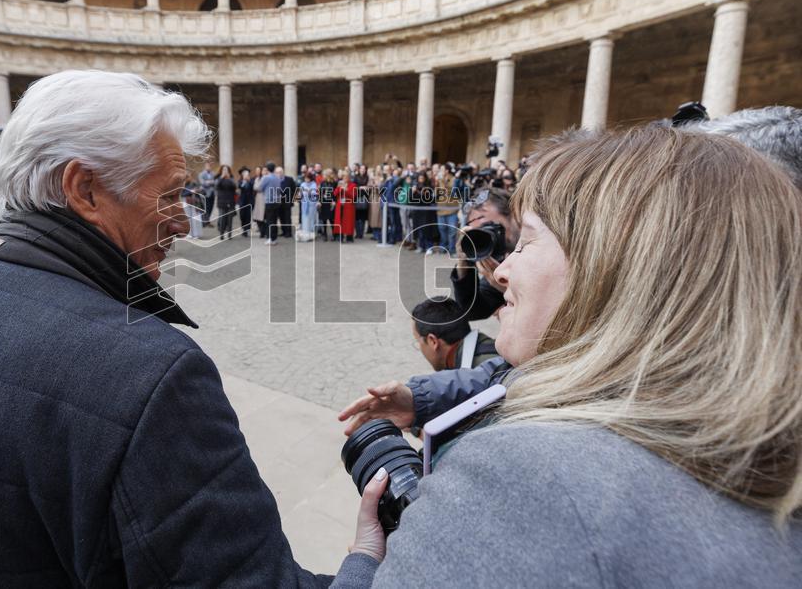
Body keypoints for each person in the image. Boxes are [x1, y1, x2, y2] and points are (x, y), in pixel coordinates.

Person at [0, 71, 341, 587]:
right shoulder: (150, 376)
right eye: (172, 193)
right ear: (85, 189)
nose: (182, 221)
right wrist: (369, 557)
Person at [332, 125, 802, 587]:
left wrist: (367, 564)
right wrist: (421, 398)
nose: (503, 270)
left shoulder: (530, 477)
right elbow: (516, 369)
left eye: (527, 240)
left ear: (608, 267)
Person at [450, 187, 519, 318]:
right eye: (480, 232)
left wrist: (509, 290)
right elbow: (474, 311)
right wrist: (464, 265)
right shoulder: (499, 259)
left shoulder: (544, 250)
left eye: (492, 227)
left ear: (514, 215)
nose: (488, 236)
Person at [333, 169, 357, 243]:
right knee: (340, 221)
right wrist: (339, 188)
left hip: (348, 206)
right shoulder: (340, 184)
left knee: (348, 222)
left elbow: (353, 196)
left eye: (346, 177)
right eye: (343, 177)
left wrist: (346, 190)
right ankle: (340, 236)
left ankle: (349, 237)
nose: (345, 178)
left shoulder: (353, 185)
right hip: (340, 205)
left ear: (349, 177)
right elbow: (334, 194)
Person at [214, 164, 237, 240]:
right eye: (224, 170)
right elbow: (217, 186)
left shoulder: (231, 179)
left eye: (226, 170)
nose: (225, 171)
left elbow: (235, 186)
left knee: (230, 219)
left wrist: (229, 178)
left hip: (230, 202)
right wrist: (222, 177)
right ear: (221, 171)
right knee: (222, 218)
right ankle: (221, 234)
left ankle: (229, 234)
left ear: (229, 171)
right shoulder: (218, 178)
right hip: (221, 202)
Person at [299, 171, 318, 241]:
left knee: (311, 219)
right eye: (305, 178)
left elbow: (314, 193)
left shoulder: (314, 184)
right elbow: (300, 193)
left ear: (310, 178)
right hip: (304, 204)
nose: (306, 180)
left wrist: (308, 191)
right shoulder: (302, 184)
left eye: (307, 178)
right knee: (305, 218)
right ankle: (306, 234)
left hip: (311, 205)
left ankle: (311, 234)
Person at [318, 169, 337, 241]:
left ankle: (334, 234)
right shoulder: (322, 183)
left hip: (331, 203)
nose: (323, 176)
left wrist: (334, 201)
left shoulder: (334, 183)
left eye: (324, 174)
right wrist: (319, 201)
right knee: (324, 220)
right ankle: (325, 235)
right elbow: (320, 193)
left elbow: (336, 193)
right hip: (323, 203)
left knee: (332, 220)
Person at [237, 166, 254, 237]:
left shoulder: (251, 180)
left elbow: (253, 187)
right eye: (244, 173)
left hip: (249, 200)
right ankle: (243, 227)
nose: (245, 175)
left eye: (246, 173)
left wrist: (249, 181)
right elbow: (240, 187)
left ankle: (246, 230)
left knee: (248, 216)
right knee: (242, 215)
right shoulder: (240, 181)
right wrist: (244, 181)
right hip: (242, 201)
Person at [354, 164, 370, 239]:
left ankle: (361, 233)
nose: (363, 170)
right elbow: (353, 186)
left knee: (363, 217)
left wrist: (367, 187)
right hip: (357, 197)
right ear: (359, 169)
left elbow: (370, 186)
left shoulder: (368, 177)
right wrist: (360, 187)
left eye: (364, 169)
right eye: (361, 168)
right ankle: (357, 233)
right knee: (357, 217)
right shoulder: (355, 177)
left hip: (365, 198)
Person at [197, 161, 215, 226]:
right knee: (205, 208)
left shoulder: (213, 173)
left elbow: (215, 182)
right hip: (205, 193)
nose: (208, 167)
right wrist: (210, 182)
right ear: (205, 166)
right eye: (207, 166)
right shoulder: (201, 174)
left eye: (209, 166)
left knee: (211, 207)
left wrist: (208, 182)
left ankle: (207, 220)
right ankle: (205, 221)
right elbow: (203, 183)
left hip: (212, 193)